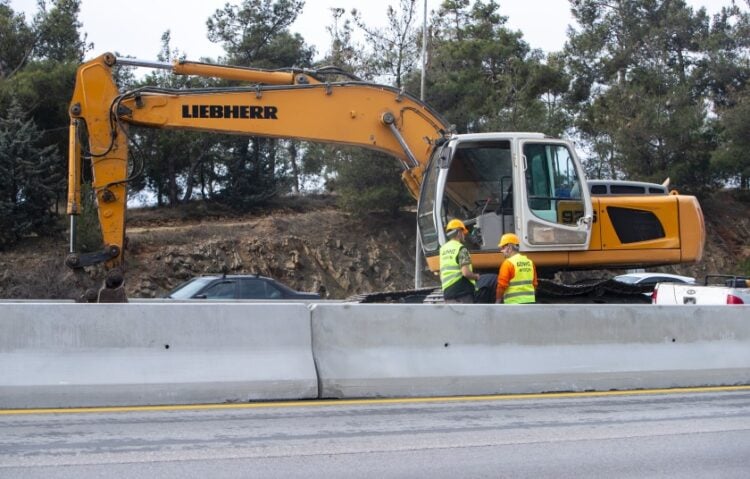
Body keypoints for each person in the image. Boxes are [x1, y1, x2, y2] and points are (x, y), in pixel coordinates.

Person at [440, 219, 480, 303]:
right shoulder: (461, 249)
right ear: (458, 232)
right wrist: (476, 276)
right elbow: (465, 273)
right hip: (462, 292)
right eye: (463, 232)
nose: (464, 235)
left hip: (447, 291)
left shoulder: (443, 249)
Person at [495, 233, 537, 304]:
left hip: (513, 304)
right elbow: (534, 284)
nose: (501, 251)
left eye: (503, 248)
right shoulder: (529, 262)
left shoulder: (508, 263)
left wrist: (498, 301)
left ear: (509, 247)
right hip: (530, 302)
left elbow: (502, 285)